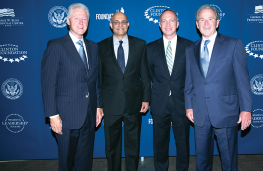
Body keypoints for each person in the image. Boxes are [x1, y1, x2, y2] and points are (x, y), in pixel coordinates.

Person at [184, 4, 252, 171]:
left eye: (210, 19)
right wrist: (188, 106)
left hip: (226, 112)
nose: (206, 23)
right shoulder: (190, 49)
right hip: (199, 114)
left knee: (228, 160)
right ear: (197, 24)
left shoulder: (233, 44)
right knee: (202, 161)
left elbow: (243, 81)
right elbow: (189, 81)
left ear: (217, 22)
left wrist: (246, 110)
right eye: (202, 19)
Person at [41, 3, 103, 171]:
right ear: (68, 21)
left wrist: (98, 105)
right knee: (67, 163)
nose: (81, 22)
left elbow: (95, 80)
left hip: (89, 115)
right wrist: (53, 115)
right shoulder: (56, 46)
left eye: (84, 19)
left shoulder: (93, 47)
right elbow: (48, 84)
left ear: (88, 22)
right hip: (65, 117)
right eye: (76, 18)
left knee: (85, 161)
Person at [97, 12, 151, 171]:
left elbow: (145, 75)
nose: (120, 25)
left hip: (134, 103)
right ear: (111, 25)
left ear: (128, 24)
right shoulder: (100, 47)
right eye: (116, 22)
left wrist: (146, 98)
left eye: (123, 22)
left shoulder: (140, 44)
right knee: (111, 146)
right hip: (110, 103)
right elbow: (98, 79)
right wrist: (99, 105)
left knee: (133, 145)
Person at [147, 9, 192, 171]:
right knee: (159, 143)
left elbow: (192, 77)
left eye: (171, 20)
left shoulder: (190, 46)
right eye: (164, 21)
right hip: (160, 102)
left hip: (182, 103)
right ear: (159, 25)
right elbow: (150, 75)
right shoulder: (150, 48)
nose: (168, 24)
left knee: (183, 144)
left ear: (177, 24)